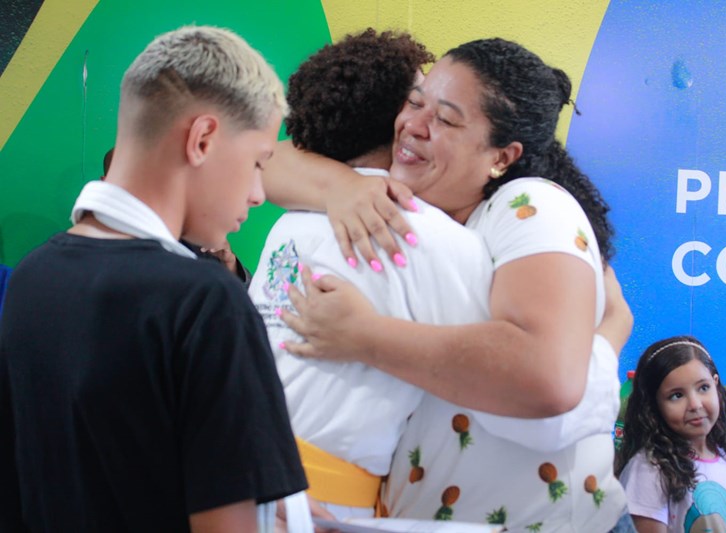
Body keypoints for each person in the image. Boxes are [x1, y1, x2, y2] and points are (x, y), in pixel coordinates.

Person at [267, 38, 634, 531]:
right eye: (415, 103)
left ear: (502, 157)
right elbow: (266, 160)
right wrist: (343, 186)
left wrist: (364, 337)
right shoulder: (396, 209)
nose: (414, 125)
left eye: (446, 118)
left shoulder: (528, 205)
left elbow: (551, 379)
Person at [0, 26, 309, 532]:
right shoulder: (206, 302)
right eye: (258, 162)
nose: (257, 193)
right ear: (202, 139)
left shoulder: (33, 277)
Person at [249, 28, 498, 520]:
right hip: (324, 505)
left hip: (237, 477)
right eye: (419, 101)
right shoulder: (428, 237)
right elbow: (505, 367)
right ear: (399, 124)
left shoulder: (288, 221)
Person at [616, 336, 726, 533]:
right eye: (676, 395)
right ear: (653, 405)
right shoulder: (649, 470)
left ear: (716, 385)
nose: (695, 404)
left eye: (703, 388)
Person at [103, 146, 252, 283]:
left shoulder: (189, 236)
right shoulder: (94, 244)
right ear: (105, 183)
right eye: (126, 179)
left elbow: (242, 302)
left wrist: (229, 266)